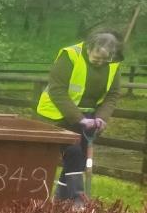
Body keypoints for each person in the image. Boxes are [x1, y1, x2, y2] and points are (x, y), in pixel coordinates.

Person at [36, 31, 123, 201]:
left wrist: (101, 117)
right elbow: (57, 90)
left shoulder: (114, 64)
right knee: (73, 152)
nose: (100, 63)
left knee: (78, 161)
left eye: (104, 61)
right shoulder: (70, 56)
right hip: (57, 114)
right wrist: (79, 118)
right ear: (88, 48)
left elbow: (112, 95)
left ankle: (61, 201)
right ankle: (77, 199)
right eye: (96, 59)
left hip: (88, 118)